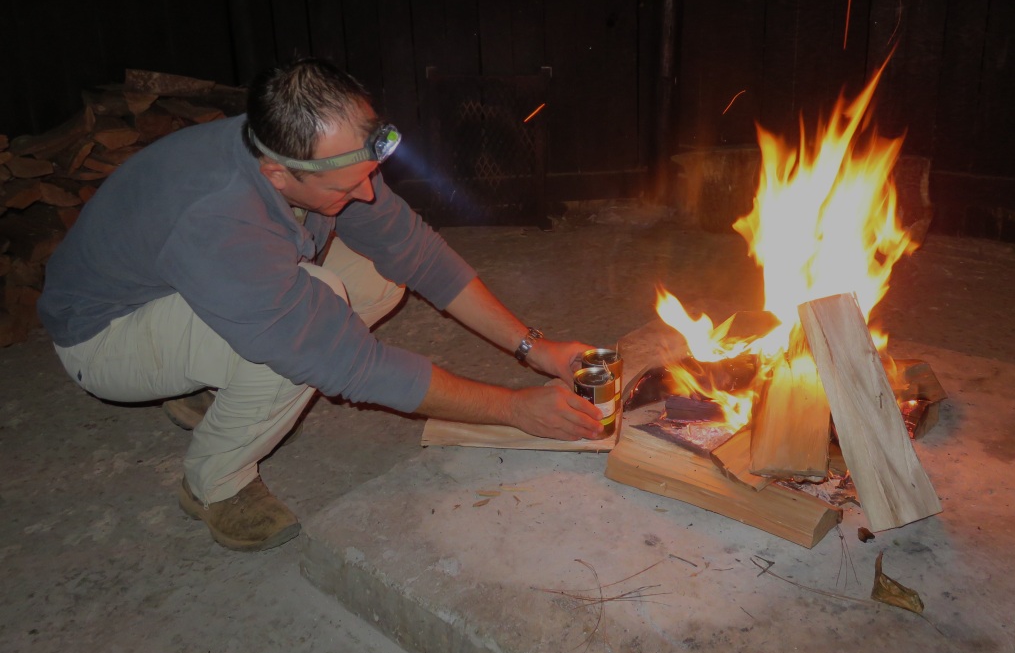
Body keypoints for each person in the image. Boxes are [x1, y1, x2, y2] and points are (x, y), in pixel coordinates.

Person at [37, 57, 605, 552]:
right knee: (309, 331)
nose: (365, 194)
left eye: (368, 174)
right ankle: (215, 484)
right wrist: (513, 409)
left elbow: (417, 254)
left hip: (193, 287)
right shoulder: (218, 218)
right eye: (344, 188)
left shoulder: (308, 153)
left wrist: (536, 348)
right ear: (277, 175)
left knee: (380, 272)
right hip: (106, 335)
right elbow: (350, 365)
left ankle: (213, 382)